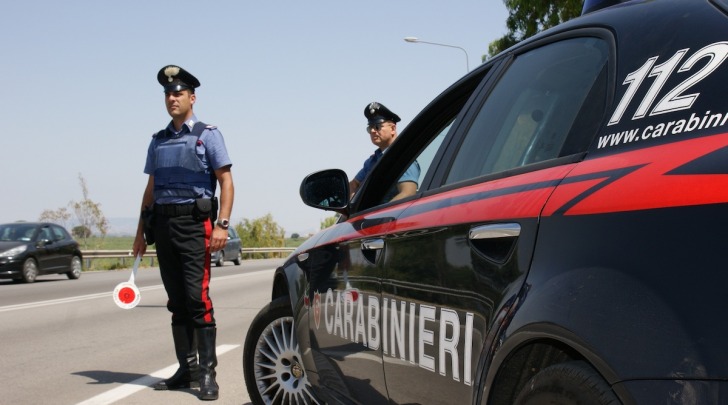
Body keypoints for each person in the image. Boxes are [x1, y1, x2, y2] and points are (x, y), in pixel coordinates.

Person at [132, 65, 234, 401]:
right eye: (168, 93)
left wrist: (222, 225)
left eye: (178, 93)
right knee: (176, 302)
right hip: (163, 226)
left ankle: (207, 375)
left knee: (197, 299)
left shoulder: (208, 134)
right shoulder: (158, 141)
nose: (172, 98)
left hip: (196, 226)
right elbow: (150, 189)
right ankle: (186, 369)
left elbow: (226, 181)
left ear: (192, 97)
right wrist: (139, 232)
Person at [349, 102, 420, 201]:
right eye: (370, 128)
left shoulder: (403, 157)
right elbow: (353, 185)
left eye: (377, 126)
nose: (373, 131)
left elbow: (408, 193)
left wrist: (383, 213)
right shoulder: (372, 161)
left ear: (392, 129)